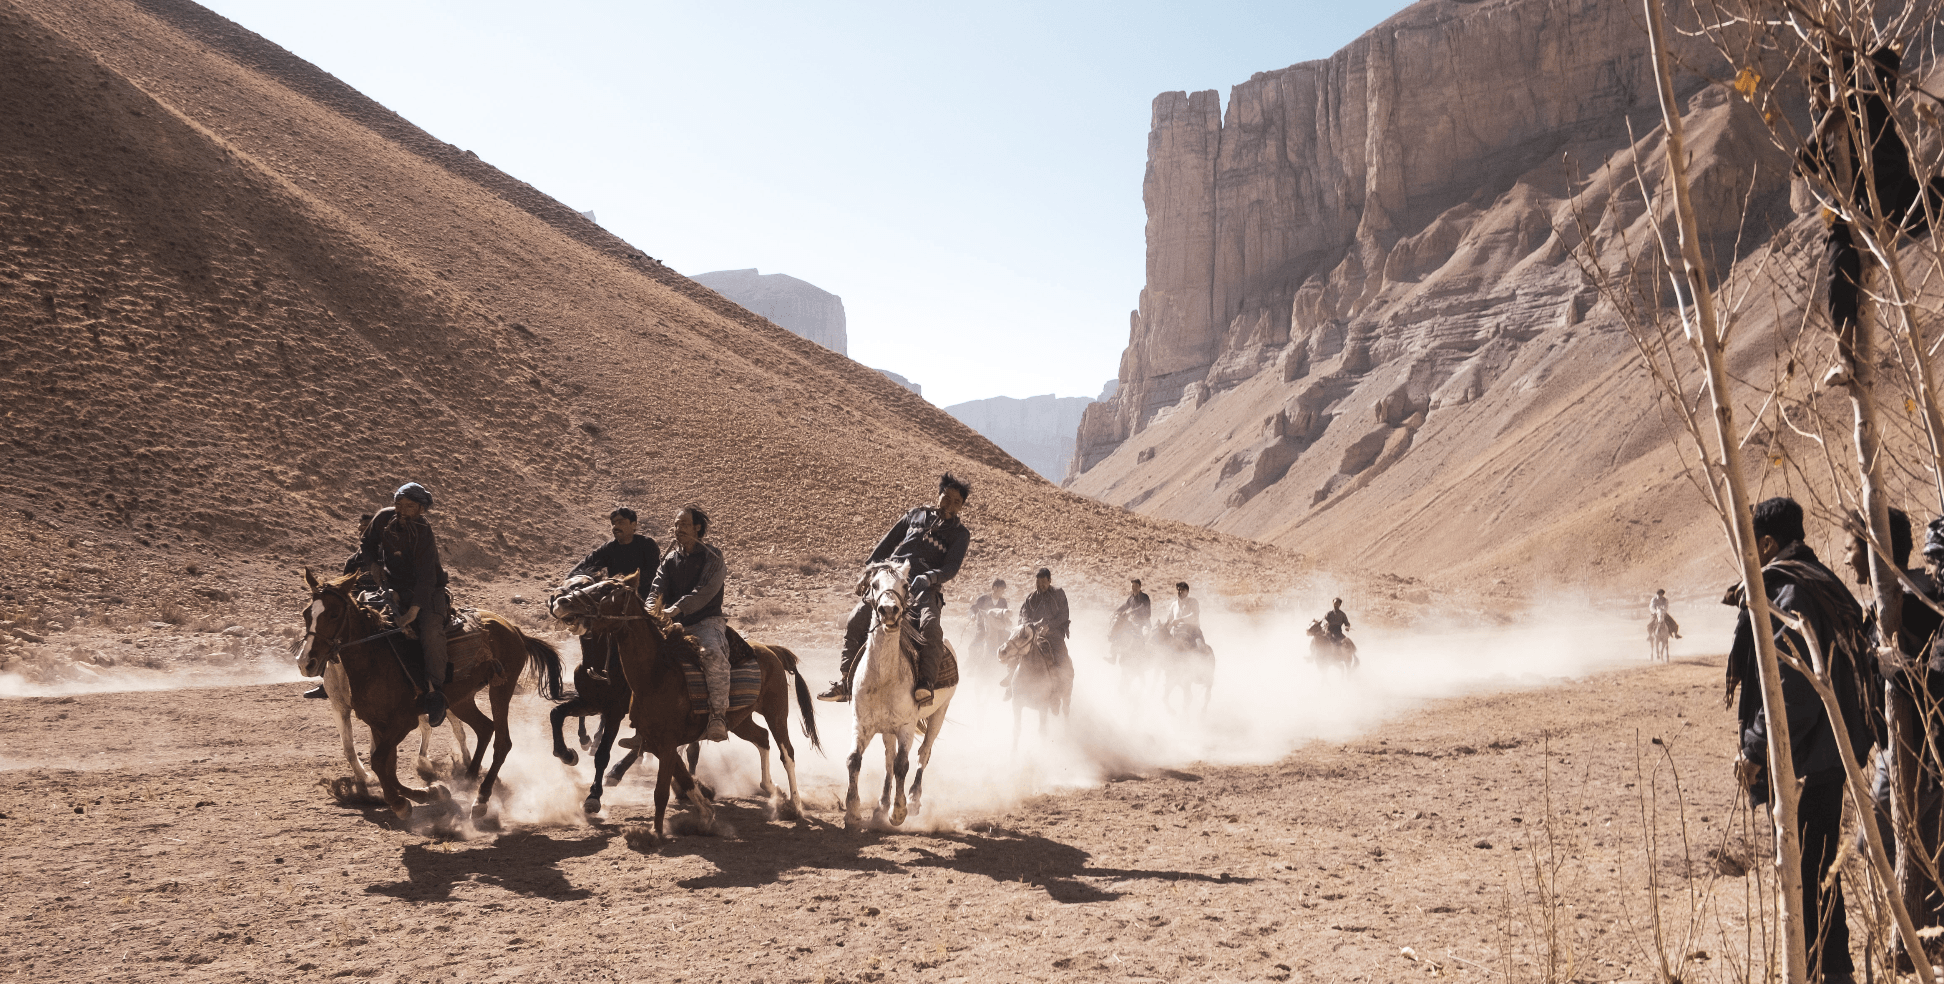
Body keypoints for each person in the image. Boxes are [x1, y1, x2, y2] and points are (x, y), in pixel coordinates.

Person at [1725, 497, 1871, 983]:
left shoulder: (1788, 588)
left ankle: (1826, 974)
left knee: (1810, 878)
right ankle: (1833, 971)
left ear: (1766, 543)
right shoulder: (1814, 577)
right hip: (1831, 754)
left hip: (1813, 758)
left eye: (1752, 546)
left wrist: (1753, 747)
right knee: (1818, 874)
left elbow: (1789, 689)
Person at [819, 473, 972, 706]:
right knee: (856, 618)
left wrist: (929, 578)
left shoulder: (960, 534)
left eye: (956, 502)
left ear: (961, 507)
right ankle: (845, 682)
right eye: (946, 498)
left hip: (924, 587)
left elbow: (951, 567)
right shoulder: (914, 514)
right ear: (939, 495)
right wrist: (869, 572)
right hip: (892, 578)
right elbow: (886, 544)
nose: (950, 505)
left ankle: (925, 685)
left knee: (931, 627)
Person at [360, 483, 451, 727]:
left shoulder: (423, 530)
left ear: (422, 509)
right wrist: (374, 566)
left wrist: (412, 612)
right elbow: (366, 544)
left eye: (410, 506)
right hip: (394, 588)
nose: (402, 510)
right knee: (363, 620)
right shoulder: (383, 518)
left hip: (428, 593)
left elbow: (426, 577)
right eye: (399, 504)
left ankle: (435, 693)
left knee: (431, 633)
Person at [648, 505, 732, 742]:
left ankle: (718, 716)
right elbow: (656, 589)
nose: (678, 529)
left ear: (697, 527)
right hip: (673, 623)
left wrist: (677, 609)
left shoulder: (713, 558)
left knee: (713, 654)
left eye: (684, 524)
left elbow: (705, 591)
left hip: (706, 622)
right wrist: (649, 610)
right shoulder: (669, 561)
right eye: (676, 524)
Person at [568, 507, 661, 684]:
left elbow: (654, 574)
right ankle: (596, 669)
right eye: (613, 523)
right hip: (618, 603)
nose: (615, 526)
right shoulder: (609, 548)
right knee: (593, 624)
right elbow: (585, 565)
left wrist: (627, 584)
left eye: (621, 522)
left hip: (644, 601)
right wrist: (572, 581)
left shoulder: (647, 545)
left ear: (634, 525)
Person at [1015, 567, 1072, 680]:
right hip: (1034, 635)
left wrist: (1049, 626)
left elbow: (1064, 615)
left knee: (1063, 660)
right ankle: (1011, 680)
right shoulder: (1031, 598)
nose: (1040, 586)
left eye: (1043, 583)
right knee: (1015, 650)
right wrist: (1033, 625)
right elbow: (1023, 615)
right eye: (1038, 583)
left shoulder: (1058, 593)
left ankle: (1063, 685)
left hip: (1054, 634)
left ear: (1050, 581)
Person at [1109, 578, 1151, 663]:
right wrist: (1116, 612)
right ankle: (1113, 657)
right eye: (1132, 586)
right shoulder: (1131, 598)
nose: (1134, 588)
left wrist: (1131, 612)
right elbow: (1125, 606)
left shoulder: (1145, 597)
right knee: (1120, 631)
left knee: (1145, 635)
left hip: (1144, 622)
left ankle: (1145, 658)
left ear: (1140, 586)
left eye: (1135, 586)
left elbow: (1142, 607)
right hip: (1134, 622)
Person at [969, 578, 1011, 660]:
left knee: (1011, 642)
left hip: (999, 629)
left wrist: (1008, 621)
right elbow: (973, 609)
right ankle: (970, 663)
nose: (1003, 592)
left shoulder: (1003, 601)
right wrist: (972, 615)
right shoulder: (983, 599)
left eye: (1003, 590)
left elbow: (1005, 615)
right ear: (995, 588)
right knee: (972, 647)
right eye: (1001, 589)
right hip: (983, 629)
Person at [1159, 581, 1204, 650]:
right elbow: (1169, 620)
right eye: (1179, 590)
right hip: (1177, 633)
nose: (1180, 592)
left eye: (1182, 590)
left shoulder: (1193, 601)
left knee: (1202, 648)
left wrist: (1179, 620)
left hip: (1193, 632)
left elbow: (1194, 615)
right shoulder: (1174, 604)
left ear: (1187, 591)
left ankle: (1205, 659)